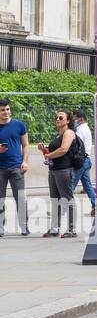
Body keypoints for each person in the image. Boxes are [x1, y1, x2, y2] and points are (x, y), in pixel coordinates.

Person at [38, 110, 79, 238]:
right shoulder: (58, 134)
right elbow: (51, 153)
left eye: (61, 117)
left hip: (64, 170)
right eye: (56, 117)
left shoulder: (69, 132)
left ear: (68, 121)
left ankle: (72, 229)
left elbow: (63, 149)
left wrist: (48, 154)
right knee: (55, 200)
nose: (57, 119)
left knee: (67, 199)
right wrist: (43, 149)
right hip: (54, 170)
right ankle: (55, 229)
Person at [0, 98, 31, 237]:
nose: (6, 112)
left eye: (7, 109)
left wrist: (24, 162)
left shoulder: (19, 125)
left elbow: (25, 145)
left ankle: (24, 225)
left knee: (20, 197)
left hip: (16, 167)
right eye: (2, 110)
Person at [71, 109, 96, 218]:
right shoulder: (85, 128)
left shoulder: (80, 130)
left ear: (80, 119)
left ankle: (59, 209)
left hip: (81, 161)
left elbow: (75, 145)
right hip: (86, 160)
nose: (73, 120)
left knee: (69, 185)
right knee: (88, 186)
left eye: (74, 118)